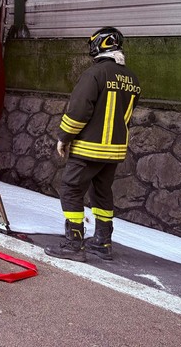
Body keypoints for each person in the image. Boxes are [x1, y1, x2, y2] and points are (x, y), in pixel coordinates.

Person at [45, 27, 141, 262]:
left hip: (89, 148)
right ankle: (103, 242)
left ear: (99, 45)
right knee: (102, 192)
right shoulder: (132, 79)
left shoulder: (94, 74)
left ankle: (74, 244)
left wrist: (64, 137)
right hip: (115, 150)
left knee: (71, 188)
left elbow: (79, 111)